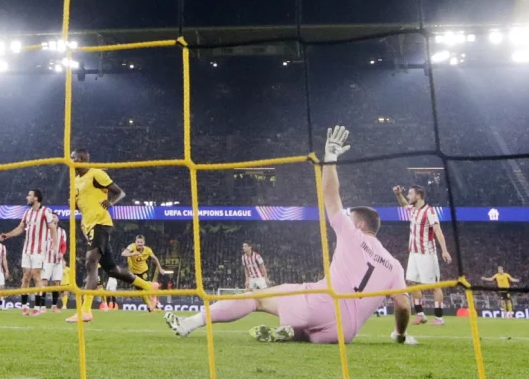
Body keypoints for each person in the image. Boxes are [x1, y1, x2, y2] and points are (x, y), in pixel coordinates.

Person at [164, 126, 417, 345]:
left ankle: (188, 323)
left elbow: (331, 196)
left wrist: (330, 158)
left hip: (321, 303)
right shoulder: (394, 265)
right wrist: (399, 334)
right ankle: (293, 331)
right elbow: (403, 306)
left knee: (256, 299)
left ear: (360, 224)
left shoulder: (352, 233)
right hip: (343, 332)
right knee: (306, 329)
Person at [68, 148, 157, 323]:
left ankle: (86, 310)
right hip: (89, 226)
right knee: (113, 270)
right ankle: (148, 286)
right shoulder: (76, 181)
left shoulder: (96, 174)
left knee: (90, 262)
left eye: (73, 158)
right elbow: (82, 206)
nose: (70, 161)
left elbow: (120, 192)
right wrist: (74, 205)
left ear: (83, 158)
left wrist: (111, 202)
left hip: (101, 223)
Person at [393, 183, 453, 326]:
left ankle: (439, 318)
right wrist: (398, 194)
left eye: (410, 194)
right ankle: (420, 315)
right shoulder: (413, 210)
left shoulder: (429, 211)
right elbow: (404, 204)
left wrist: (444, 250)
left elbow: (438, 231)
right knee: (412, 283)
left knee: (434, 286)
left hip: (427, 253)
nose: (408, 196)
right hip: (413, 252)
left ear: (418, 195)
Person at [0, 188, 58, 316]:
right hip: (27, 249)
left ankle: (37, 307)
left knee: (36, 275)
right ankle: (24, 306)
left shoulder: (45, 211)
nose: (27, 197)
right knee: (26, 276)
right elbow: (21, 228)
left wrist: (54, 244)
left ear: (36, 198)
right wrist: (7, 235)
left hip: (39, 250)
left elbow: (52, 227)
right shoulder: (27, 213)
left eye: (29, 195)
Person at [123, 235, 171, 312]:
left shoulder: (148, 250)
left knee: (148, 287)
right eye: (138, 242)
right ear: (135, 242)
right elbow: (124, 253)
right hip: (134, 274)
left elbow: (154, 258)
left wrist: (160, 268)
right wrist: (133, 254)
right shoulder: (132, 247)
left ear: (144, 243)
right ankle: (150, 305)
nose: (139, 244)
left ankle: (154, 304)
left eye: (141, 242)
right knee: (141, 293)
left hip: (144, 272)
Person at [41, 225, 68, 312]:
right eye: (51, 216)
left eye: (54, 216)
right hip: (47, 261)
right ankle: (42, 306)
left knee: (57, 283)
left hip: (58, 262)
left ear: (57, 219)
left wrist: (62, 253)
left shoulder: (62, 231)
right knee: (44, 282)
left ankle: (54, 306)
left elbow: (64, 244)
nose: (53, 218)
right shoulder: (45, 230)